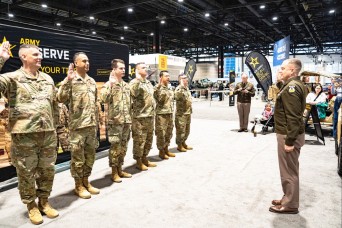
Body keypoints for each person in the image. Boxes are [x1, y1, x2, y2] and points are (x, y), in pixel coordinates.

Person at [0, 42, 59, 224]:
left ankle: (44, 201)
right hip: (25, 135)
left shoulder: (48, 79)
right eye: (35, 54)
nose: (39, 57)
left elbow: (54, 104)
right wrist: (1, 59)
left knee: (47, 170)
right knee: (26, 172)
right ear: (23, 57)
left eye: (39, 54)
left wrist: (55, 126)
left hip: (48, 134)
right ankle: (31, 205)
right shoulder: (12, 78)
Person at [57, 52, 100, 199]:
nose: (87, 63)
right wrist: (67, 81)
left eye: (88, 60)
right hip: (78, 128)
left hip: (91, 126)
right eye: (84, 61)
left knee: (90, 157)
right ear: (76, 63)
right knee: (78, 159)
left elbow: (95, 103)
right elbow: (60, 98)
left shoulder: (92, 81)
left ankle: (86, 181)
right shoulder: (70, 79)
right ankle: (78, 185)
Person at [269, 58, 307, 214]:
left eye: (283, 68)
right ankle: (288, 197)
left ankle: (290, 204)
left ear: (292, 70)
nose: (280, 71)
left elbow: (293, 117)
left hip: (288, 135)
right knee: (289, 169)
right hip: (289, 133)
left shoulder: (291, 88)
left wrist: (289, 141)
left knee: (288, 171)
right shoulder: (293, 85)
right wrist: (279, 82)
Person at [100, 59, 132, 182]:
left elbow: (130, 104)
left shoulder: (126, 86)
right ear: (114, 70)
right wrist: (111, 85)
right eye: (120, 68)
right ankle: (114, 172)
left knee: (123, 147)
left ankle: (120, 168)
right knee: (115, 148)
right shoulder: (108, 84)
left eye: (124, 68)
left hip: (126, 122)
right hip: (115, 123)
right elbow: (103, 99)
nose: (123, 70)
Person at [130, 62, 156, 171]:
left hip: (149, 116)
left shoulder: (148, 83)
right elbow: (133, 93)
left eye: (146, 67)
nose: (146, 69)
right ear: (137, 70)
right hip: (139, 117)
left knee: (148, 140)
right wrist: (138, 80)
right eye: (143, 68)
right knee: (139, 141)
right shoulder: (134, 82)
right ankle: (138, 161)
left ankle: (145, 158)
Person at [154, 70, 176, 160]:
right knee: (161, 134)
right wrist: (160, 87)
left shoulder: (169, 88)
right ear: (161, 77)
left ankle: (166, 149)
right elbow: (159, 99)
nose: (168, 77)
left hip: (169, 113)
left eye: (168, 76)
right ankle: (161, 151)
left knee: (169, 133)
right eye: (166, 76)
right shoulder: (157, 88)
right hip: (161, 114)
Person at [175, 73, 193, 152]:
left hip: (188, 113)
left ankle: (183, 142)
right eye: (183, 78)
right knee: (181, 131)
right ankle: (179, 145)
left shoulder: (187, 88)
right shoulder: (179, 89)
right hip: (181, 114)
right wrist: (182, 86)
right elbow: (177, 96)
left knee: (187, 130)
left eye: (186, 78)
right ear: (180, 80)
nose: (186, 79)